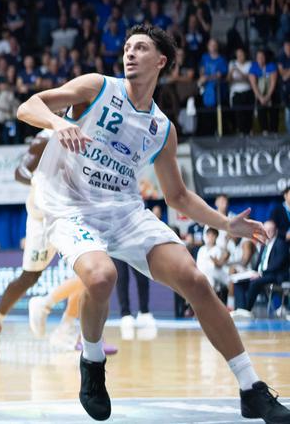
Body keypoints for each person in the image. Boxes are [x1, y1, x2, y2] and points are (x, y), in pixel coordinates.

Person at [17, 24, 288, 422]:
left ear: (160, 61)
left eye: (140, 48)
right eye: (127, 47)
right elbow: (29, 106)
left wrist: (225, 224)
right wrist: (58, 123)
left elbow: (177, 196)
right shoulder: (97, 87)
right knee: (100, 276)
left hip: (124, 211)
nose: (129, 53)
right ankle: (92, 362)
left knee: (195, 280)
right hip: (70, 205)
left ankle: (250, 387)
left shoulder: (162, 128)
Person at [0, 130, 96, 359]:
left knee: (91, 271)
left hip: (69, 216)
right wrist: (39, 179)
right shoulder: (47, 138)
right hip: (41, 219)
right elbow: (19, 171)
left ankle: (69, 330)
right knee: (29, 278)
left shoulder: (92, 137)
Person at [232, 220, 289, 319]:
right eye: (266, 230)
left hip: (275, 276)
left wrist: (261, 273)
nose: (268, 232)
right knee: (238, 282)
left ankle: (247, 310)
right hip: (262, 275)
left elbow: (278, 264)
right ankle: (240, 310)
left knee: (255, 282)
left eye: (270, 230)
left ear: (275, 231)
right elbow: (259, 264)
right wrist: (253, 272)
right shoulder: (264, 245)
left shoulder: (281, 244)